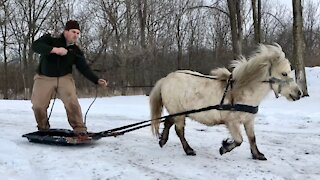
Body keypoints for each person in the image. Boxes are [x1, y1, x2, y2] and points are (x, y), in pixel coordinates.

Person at [31, 20, 107, 136]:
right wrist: (55, 50)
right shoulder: (51, 40)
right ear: (66, 31)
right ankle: (43, 128)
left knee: (72, 102)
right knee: (38, 106)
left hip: (65, 78)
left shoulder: (75, 51)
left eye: (78, 33)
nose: (76, 35)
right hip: (43, 77)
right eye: (73, 32)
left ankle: (80, 129)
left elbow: (84, 68)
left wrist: (96, 80)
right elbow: (36, 46)